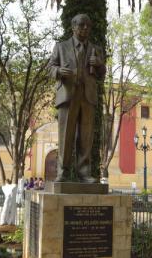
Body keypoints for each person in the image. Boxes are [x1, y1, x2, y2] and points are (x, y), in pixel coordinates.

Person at [48, 13, 105, 183]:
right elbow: (50, 67)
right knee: (66, 135)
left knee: (86, 136)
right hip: (68, 94)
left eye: (88, 26)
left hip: (87, 96)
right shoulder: (61, 47)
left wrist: (99, 65)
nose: (85, 28)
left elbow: (101, 75)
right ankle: (63, 173)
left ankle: (84, 173)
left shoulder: (96, 49)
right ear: (73, 27)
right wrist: (58, 72)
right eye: (82, 25)